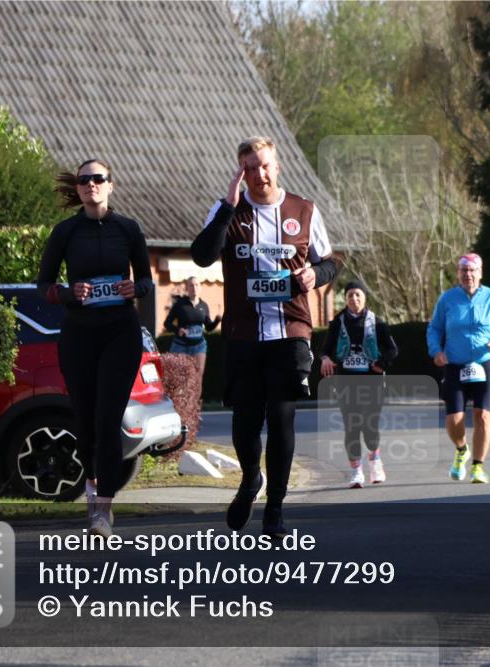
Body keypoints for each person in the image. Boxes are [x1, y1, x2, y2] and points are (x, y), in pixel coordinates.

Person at [191, 136, 339, 538]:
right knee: (245, 423)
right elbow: (202, 256)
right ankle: (249, 479)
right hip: (242, 334)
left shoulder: (303, 210)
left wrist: (315, 275)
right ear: (241, 171)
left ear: (278, 166)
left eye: (265, 165)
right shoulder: (229, 211)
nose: (259, 174)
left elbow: (329, 262)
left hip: (290, 331)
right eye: (250, 167)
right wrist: (226, 205)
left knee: (281, 417)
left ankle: (275, 508)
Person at [36, 159, 153, 537]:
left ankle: (103, 509)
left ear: (110, 185)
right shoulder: (66, 232)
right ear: (80, 189)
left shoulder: (128, 229)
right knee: (85, 425)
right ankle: (90, 485)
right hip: (79, 335)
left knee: (107, 421)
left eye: (97, 179)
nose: (91, 185)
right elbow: (44, 286)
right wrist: (70, 293)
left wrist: (136, 289)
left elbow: (148, 282)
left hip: (120, 332)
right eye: (85, 180)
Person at [427, 253, 490, 484]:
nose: (468, 275)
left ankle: (477, 466)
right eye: (464, 271)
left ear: (480, 273)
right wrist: (436, 351)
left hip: (484, 362)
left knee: (482, 415)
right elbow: (434, 328)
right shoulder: (448, 299)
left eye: (472, 270)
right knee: (454, 420)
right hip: (455, 364)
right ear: (458, 274)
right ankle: (461, 449)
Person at [319, 280, 398, 488]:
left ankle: (375, 460)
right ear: (345, 299)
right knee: (352, 428)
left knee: (370, 427)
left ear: (365, 297)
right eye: (350, 295)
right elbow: (325, 349)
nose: (354, 299)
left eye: (358, 295)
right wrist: (326, 359)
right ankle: (356, 471)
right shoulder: (337, 322)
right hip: (346, 383)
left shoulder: (377, 322)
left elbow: (392, 349)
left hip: (372, 384)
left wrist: (381, 364)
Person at [164, 276, 221, 383]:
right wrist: (178, 330)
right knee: (178, 379)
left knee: (197, 379)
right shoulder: (180, 304)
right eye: (191, 285)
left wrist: (217, 321)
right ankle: (180, 400)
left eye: (196, 285)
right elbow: (167, 323)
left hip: (198, 346)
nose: (194, 288)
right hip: (180, 346)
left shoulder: (204, 306)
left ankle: (195, 400)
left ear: (200, 288)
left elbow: (208, 327)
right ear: (187, 288)